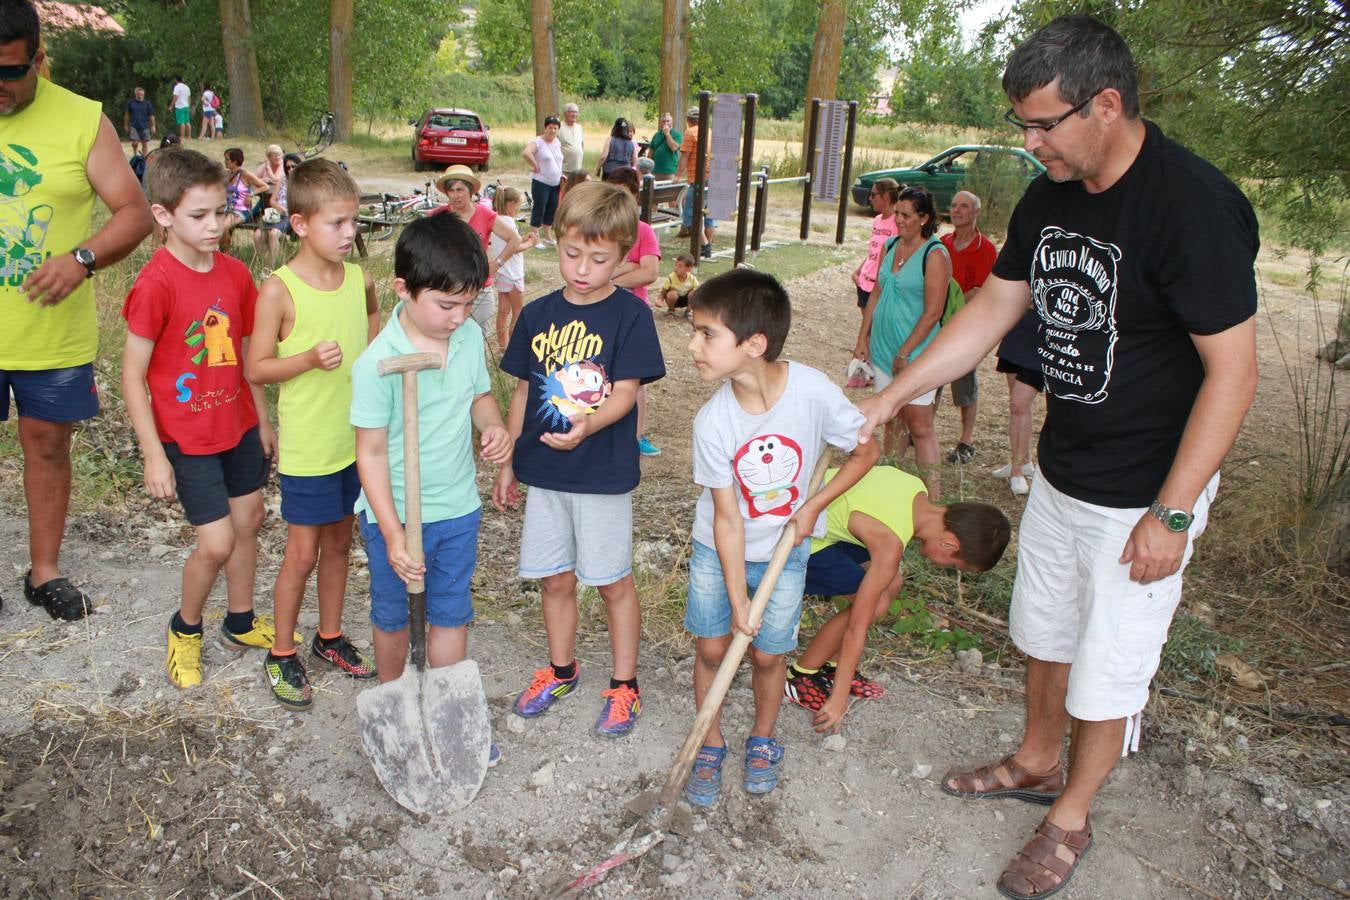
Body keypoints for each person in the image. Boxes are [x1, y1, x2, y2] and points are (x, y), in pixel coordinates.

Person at [857, 16, 1259, 898]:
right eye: (1022, 125)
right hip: (1065, 468)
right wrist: (893, 394)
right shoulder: (1050, 198)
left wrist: (1173, 511)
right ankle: (1039, 760)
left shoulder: (1193, 208)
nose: (1030, 143)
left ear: (1105, 104)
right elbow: (992, 312)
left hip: (1147, 489)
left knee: (1110, 661)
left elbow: (1234, 374)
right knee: (1044, 631)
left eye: (1043, 125)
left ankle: (1070, 817)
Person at [680, 268, 880, 807]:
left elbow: (866, 450)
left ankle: (763, 738)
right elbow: (726, 521)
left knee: (769, 656)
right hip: (718, 550)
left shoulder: (812, 392)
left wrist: (814, 506)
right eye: (695, 331)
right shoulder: (712, 423)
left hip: (787, 550)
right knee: (713, 648)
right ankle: (709, 742)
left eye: (706, 333)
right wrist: (739, 598)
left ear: (754, 344)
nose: (693, 345)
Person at [492, 182, 666, 739]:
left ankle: (624, 684)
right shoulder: (537, 314)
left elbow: (626, 392)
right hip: (545, 474)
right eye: (572, 254)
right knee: (554, 579)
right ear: (559, 241)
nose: (583, 269)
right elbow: (523, 391)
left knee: (612, 581)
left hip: (602, 476)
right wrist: (509, 461)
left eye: (599, 259)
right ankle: (561, 669)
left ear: (623, 256)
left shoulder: (630, 316)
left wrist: (588, 424)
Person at [2, 0, 153, 620]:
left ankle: (44, 573)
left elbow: (135, 213)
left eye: (10, 72)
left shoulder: (82, 120)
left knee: (46, 445)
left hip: (50, 333)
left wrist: (82, 258)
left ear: (38, 59)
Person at [351, 213, 512, 765]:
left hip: (456, 508)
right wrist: (393, 533)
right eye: (446, 305)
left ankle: (448, 717)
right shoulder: (376, 364)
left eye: (468, 303)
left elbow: (479, 396)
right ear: (403, 289)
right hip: (393, 515)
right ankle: (396, 712)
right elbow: (370, 455)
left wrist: (493, 425)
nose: (459, 317)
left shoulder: (465, 337)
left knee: (449, 611)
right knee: (393, 615)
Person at [120, 148, 275, 687]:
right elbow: (132, 376)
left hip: (238, 426)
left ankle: (240, 621)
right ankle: (185, 628)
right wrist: (153, 454)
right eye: (199, 215)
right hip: (187, 439)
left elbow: (247, 356)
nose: (215, 226)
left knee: (249, 521)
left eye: (221, 212)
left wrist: (262, 420)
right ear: (163, 215)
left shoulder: (236, 274)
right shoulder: (156, 283)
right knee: (216, 543)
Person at [245, 159, 380, 708]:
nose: (349, 233)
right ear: (299, 224)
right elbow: (256, 368)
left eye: (354, 221)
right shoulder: (279, 290)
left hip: (355, 443)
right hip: (308, 447)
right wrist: (304, 359)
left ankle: (328, 636)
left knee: (340, 543)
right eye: (337, 223)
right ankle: (281, 652)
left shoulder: (359, 279)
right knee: (302, 553)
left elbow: (371, 323)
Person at [786, 466, 1011, 731]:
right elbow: (857, 627)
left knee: (893, 580)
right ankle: (802, 676)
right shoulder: (889, 543)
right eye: (953, 565)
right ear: (949, 544)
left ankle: (833, 668)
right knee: (876, 604)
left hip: (807, 504)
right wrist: (839, 698)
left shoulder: (914, 486)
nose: (945, 567)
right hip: (792, 536)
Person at [853, 186, 952, 498]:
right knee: (891, 419)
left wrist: (906, 351)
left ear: (924, 218)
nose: (898, 220)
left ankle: (933, 496)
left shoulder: (935, 255)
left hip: (917, 352)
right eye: (897, 213)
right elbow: (876, 292)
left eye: (906, 215)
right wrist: (863, 337)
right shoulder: (891, 245)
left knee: (920, 425)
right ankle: (890, 487)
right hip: (884, 348)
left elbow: (933, 312)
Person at [604, 167, 662, 458]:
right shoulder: (600, 228)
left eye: (623, 193)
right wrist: (630, 267)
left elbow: (649, 272)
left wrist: (611, 278)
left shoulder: (644, 231)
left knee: (634, 377)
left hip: (632, 313)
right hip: (601, 312)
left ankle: (636, 436)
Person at [939, 190, 999, 465]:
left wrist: (951, 307)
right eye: (954, 205)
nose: (957, 210)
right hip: (938, 323)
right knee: (931, 380)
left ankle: (966, 440)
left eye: (964, 206)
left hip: (966, 328)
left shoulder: (985, 249)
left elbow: (980, 290)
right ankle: (922, 430)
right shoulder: (942, 244)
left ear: (976, 212)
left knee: (964, 384)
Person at [432, 165, 521, 332]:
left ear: (470, 191)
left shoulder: (484, 214)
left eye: (460, 190)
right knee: (448, 335)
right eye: (451, 190)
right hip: (448, 288)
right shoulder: (437, 215)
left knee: (480, 337)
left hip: (480, 288)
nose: (455, 195)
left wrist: (496, 264)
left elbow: (515, 239)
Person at [993, 310, 1044, 496]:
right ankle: (1024, 461)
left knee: (1019, 405)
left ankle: (1017, 471)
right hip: (1018, 332)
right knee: (1017, 407)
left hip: (1043, 338)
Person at [488, 185, 536, 348]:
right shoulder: (509, 221)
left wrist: (523, 238)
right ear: (510, 204)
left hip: (502, 274)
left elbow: (508, 242)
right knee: (518, 311)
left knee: (503, 312)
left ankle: (503, 345)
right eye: (518, 206)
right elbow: (514, 248)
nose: (518, 209)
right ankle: (515, 346)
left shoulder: (496, 221)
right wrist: (530, 243)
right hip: (514, 275)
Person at [852, 177, 900, 326]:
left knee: (877, 328)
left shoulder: (898, 222)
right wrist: (858, 272)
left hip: (880, 286)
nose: (870, 198)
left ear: (886, 196)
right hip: (864, 283)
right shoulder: (877, 220)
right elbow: (873, 252)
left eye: (873, 194)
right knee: (868, 328)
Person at [673, 107, 716, 258]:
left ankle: (704, 246)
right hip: (713, 177)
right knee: (710, 216)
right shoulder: (709, 131)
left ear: (688, 120)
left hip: (699, 179)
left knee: (690, 214)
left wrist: (677, 175)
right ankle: (707, 248)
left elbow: (685, 156)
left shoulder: (690, 132)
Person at [523, 115, 564, 246]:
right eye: (550, 127)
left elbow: (558, 160)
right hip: (541, 182)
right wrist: (535, 165)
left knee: (552, 209)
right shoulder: (538, 142)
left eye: (555, 128)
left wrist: (561, 173)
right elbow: (526, 153)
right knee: (539, 208)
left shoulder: (557, 142)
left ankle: (547, 236)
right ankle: (535, 238)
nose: (552, 130)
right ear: (545, 128)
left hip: (555, 182)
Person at [255, 152, 301, 268]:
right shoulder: (282, 180)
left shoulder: (303, 183)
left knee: (274, 234)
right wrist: (279, 208)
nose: (290, 169)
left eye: (293, 166)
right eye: (287, 167)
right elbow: (272, 201)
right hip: (276, 214)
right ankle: (263, 264)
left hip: (290, 216)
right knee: (257, 234)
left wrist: (289, 210)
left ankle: (274, 266)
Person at [222, 147, 267, 238]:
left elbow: (265, 186)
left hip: (241, 210)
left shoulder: (245, 175)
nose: (224, 161)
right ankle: (224, 247)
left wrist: (251, 194)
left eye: (227, 159)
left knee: (222, 227)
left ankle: (225, 248)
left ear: (235, 162)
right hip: (227, 209)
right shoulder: (227, 174)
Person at [557, 102, 584, 203]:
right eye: (571, 112)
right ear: (565, 113)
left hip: (577, 168)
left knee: (575, 194)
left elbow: (581, 144)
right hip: (564, 169)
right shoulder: (559, 127)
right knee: (564, 194)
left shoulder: (579, 127)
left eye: (576, 112)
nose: (574, 114)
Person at [647, 112, 681, 181]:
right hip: (655, 171)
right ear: (661, 123)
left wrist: (667, 134)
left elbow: (674, 148)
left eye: (668, 121)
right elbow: (650, 152)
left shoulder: (676, 134)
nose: (666, 123)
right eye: (664, 121)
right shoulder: (656, 135)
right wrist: (648, 169)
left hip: (669, 172)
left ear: (672, 122)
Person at [123, 86, 156, 157]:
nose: (140, 96)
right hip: (134, 126)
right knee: (135, 142)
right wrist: (125, 125)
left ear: (144, 95)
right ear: (136, 94)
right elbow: (127, 114)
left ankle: (145, 157)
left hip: (145, 126)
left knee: (144, 143)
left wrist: (153, 126)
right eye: (139, 94)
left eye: (142, 95)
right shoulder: (131, 103)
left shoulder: (147, 103)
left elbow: (151, 116)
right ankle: (135, 154)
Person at [171, 74, 190, 141]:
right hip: (186, 106)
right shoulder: (187, 87)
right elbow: (189, 98)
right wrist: (188, 105)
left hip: (180, 106)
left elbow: (175, 97)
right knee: (187, 122)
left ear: (176, 80)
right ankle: (189, 136)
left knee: (181, 122)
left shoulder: (177, 87)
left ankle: (182, 136)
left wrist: (171, 105)